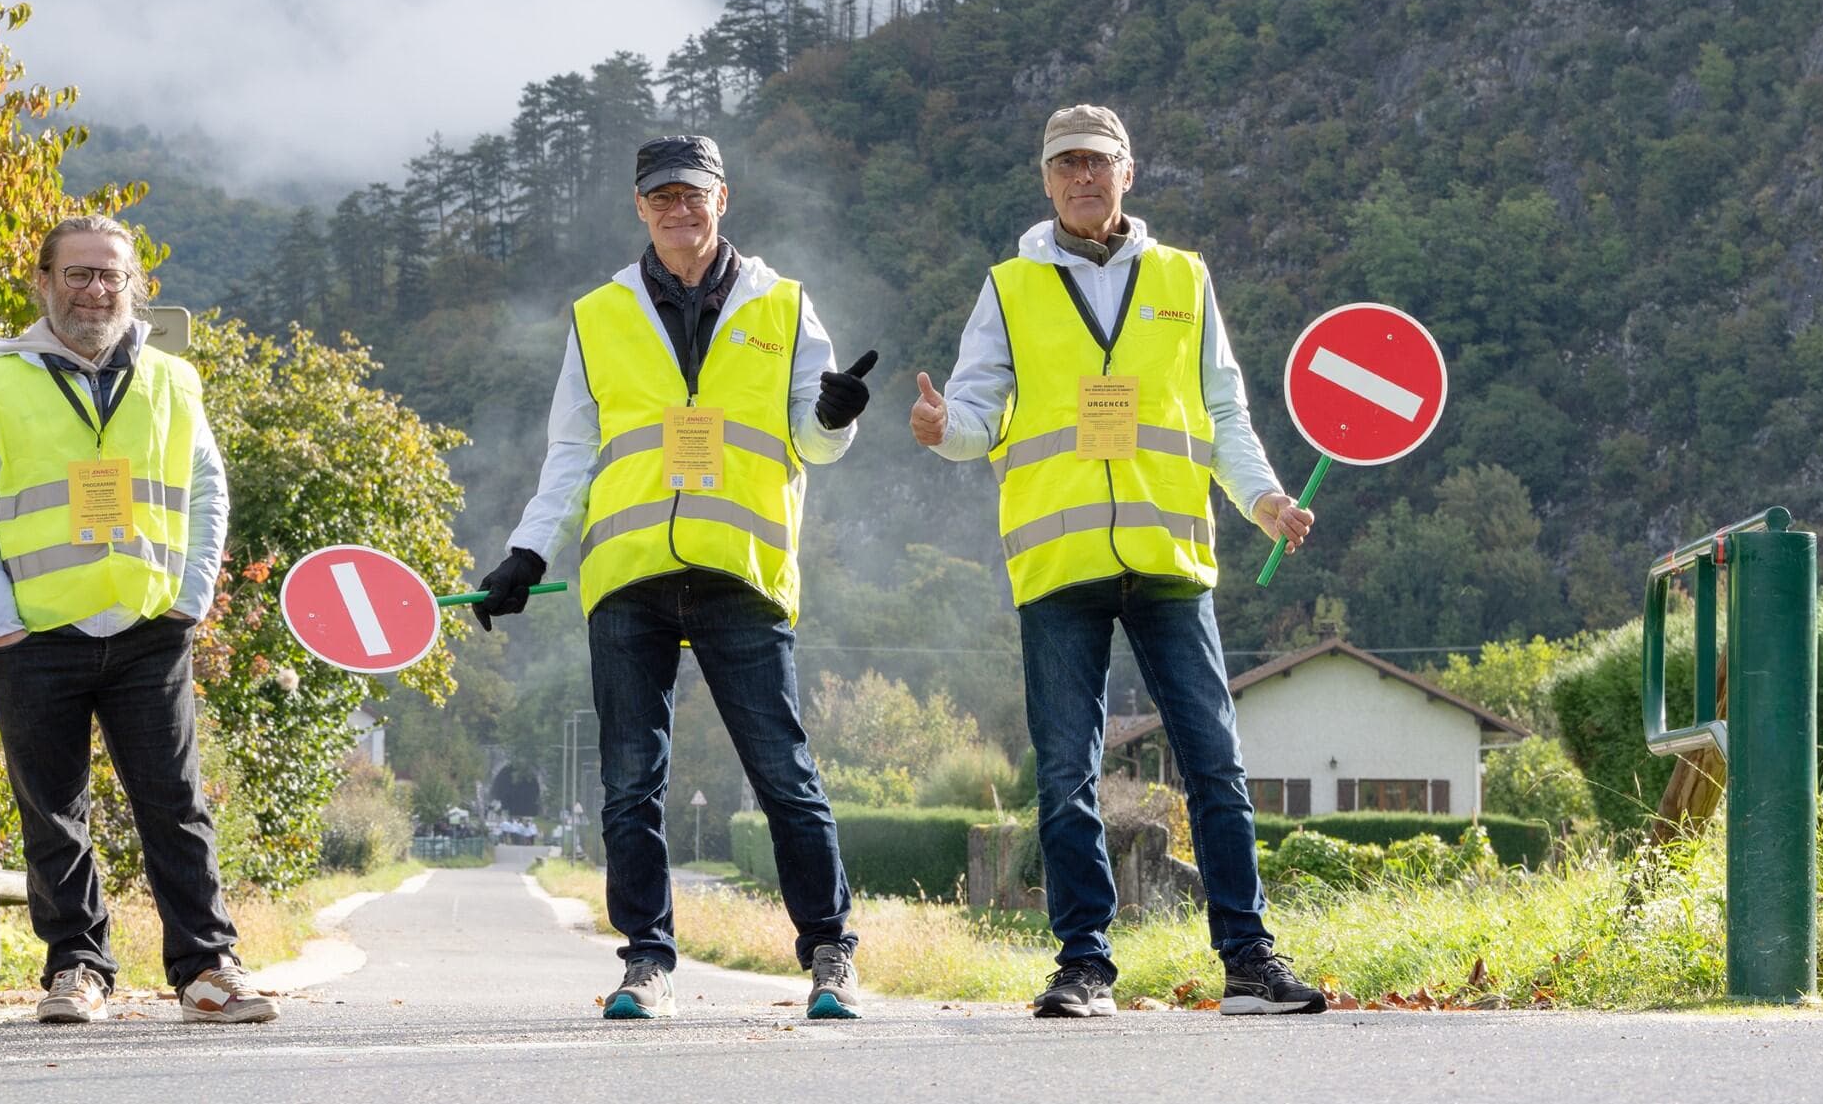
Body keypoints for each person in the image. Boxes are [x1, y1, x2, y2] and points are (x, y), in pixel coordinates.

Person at [909, 105, 1326, 1018]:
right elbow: (979, 411)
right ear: (1046, 180)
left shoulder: (1184, 277)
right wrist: (945, 432)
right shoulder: (1010, 287)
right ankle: (1084, 964)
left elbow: (1223, 411)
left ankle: (1249, 960)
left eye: (1097, 163)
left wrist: (1264, 501)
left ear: (1128, 173)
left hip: (1170, 558)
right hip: (1058, 568)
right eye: (1066, 166)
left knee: (1215, 762)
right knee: (1066, 773)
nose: (1082, 179)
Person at [474, 135, 875, 1021]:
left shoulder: (785, 305)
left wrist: (836, 416)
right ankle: (646, 961)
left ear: (722, 199)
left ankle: (829, 953)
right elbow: (572, 453)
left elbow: (813, 440)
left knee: (784, 771)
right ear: (640, 207)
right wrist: (529, 551)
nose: (679, 209)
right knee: (630, 781)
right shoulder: (598, 315)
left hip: (742, 572)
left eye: (693, 194)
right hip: (629, 577)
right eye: (662, 196)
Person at [0, 215, 274, 1026]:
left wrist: (191, 595)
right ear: (43, 283)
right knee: (52, 810)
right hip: (37, 631)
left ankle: (207, 968)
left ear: (135, 287)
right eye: (78, 274)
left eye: (110, 276)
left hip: (149, 625)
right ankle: (78, 969)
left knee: (175, 802)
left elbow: (207, 493)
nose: (95, 290)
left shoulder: (173, 381)